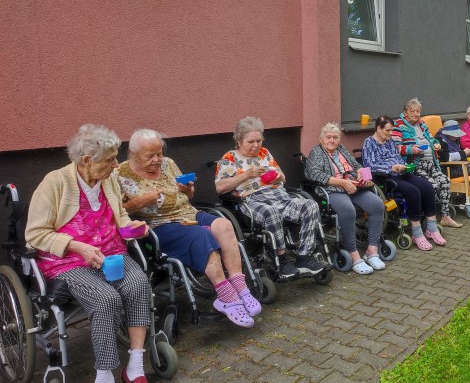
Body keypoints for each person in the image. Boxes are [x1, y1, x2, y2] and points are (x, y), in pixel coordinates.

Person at [25, 124, 154, 383]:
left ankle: (134, 368)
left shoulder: (108, 180)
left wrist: (131, 228)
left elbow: (119, 216)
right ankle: (104, 379)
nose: (116, 164)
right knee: (106, 300)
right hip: (69, 262)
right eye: (110, 158)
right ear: (86, 160)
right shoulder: (54, 183)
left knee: (138, 286)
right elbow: (34, 235)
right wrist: (77, 247)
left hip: (111, 253)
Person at [117, 129, 259, 328]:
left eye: (159, 153)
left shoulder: (169, 163)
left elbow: (188, 196)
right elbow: (117, 211)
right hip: (159, 225)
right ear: (133, 154)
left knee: (224, 225)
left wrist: (188, 189)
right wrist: (139, 202)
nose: (158, 160)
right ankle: (226, 297)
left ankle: (240, 287)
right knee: (202, 235)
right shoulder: (120, 174)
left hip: (188, 214)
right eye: (150, 156)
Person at [215, 117, 325, 279]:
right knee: (271, 212)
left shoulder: (264, 153)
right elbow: (220, 187)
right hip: (251, 200)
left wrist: (279, 177)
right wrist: (246, 175)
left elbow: (283, 178)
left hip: (278, 195)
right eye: (251, 141)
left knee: (310, 205)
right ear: (239, 141)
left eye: (259, 140)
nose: (256, 145)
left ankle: (304, 256)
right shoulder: (230, 158)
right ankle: (281, 260)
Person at [304, 123, 387, 275]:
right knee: (348, 211)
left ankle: (372, 250)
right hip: (333, 190)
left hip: (354, 187)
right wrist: (342, 182)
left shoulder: (341, 150)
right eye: (328, 137)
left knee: (377, 205)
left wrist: (362, 173)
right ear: (321, 138)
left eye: (335, 137)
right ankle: (354, 254)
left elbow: (356, 165)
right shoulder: (316, 152)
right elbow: (314, 174)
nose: (332, 140)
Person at [361, 116, 446, 250]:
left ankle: (431, 227)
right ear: (378, 128)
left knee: (428, 187)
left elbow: (398, 157)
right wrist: (390, 168)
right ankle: (417, 233)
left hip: (402, 172)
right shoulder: (369, 142)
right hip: (386, 177)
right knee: (413, 192)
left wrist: (405, 165)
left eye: (391, 130)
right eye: (387, 130)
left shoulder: (390, 142)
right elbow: (369, 166)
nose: (390, 133)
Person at [392, 98, 462, 228]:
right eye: (412, 111)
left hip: (431, 163)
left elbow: (431, 138)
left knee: (445, 181)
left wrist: (436, 144)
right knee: (433, 186)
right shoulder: (399, 126)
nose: (416, 114)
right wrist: (410, 150)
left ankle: (445, 217)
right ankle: (429, 219)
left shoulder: (422, 124)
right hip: (416, 165)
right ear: (405, 112)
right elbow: (395, 147)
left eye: (418, 111)